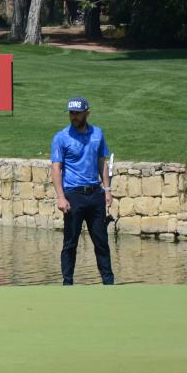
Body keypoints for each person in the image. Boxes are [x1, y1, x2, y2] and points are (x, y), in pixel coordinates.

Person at [50, 96, 115, 285]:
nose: (74, 117)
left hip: (95, 194)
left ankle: (108, 282)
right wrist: (61, 197)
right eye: (71, 113)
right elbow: (56, 168)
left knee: (101, 241)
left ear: (87, 113)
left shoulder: (98, 134)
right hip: (73, 195)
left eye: (78, 113)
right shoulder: (61, 137)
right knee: (70, 242)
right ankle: (67, 282)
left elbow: (102, 162)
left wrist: (107, 190)